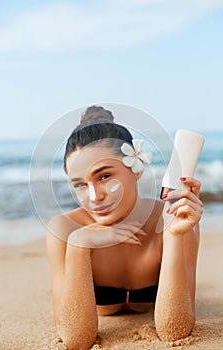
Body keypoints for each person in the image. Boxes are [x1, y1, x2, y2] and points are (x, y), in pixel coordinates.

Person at [46, 106, 203, 349]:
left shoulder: (174, 220)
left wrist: (172, 236)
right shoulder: (65, 231)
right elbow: (76, 340)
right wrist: (80, 244)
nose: (94, 196)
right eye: (79, 185)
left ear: (136, 168)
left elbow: (175, 332)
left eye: (104, 177)